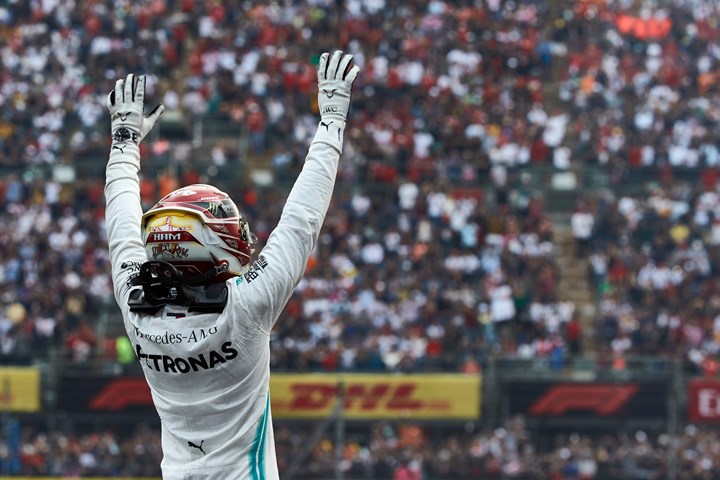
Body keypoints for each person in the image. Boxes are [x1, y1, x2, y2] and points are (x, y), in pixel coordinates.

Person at [104, 50, 360, 479]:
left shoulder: (136, 305)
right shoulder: (247, 305)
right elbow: (302, 220)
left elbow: (121, 225)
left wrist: (124, 141)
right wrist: (332, 120)